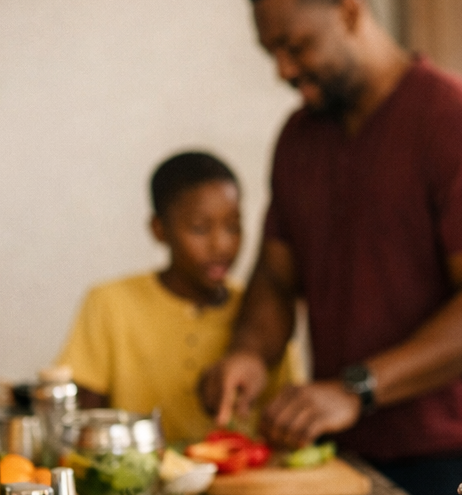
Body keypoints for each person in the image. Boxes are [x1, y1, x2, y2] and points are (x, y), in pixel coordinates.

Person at [200, 0, 462, 495]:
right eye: (271, 51)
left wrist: (358, 387)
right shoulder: (299, 139)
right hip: (343, 457)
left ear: (351, 12)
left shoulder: (461, 123)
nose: (283, 69)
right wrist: (250, 352)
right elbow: (277, 277)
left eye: (296, 45)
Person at [57, 151, 298, 444]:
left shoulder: (265, 313)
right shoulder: (109, 303)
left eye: (233, 227)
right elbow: (81, 416)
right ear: (160, 230)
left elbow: (286, 420)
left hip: (244, 479)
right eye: (200, 229)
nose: (221, 245)